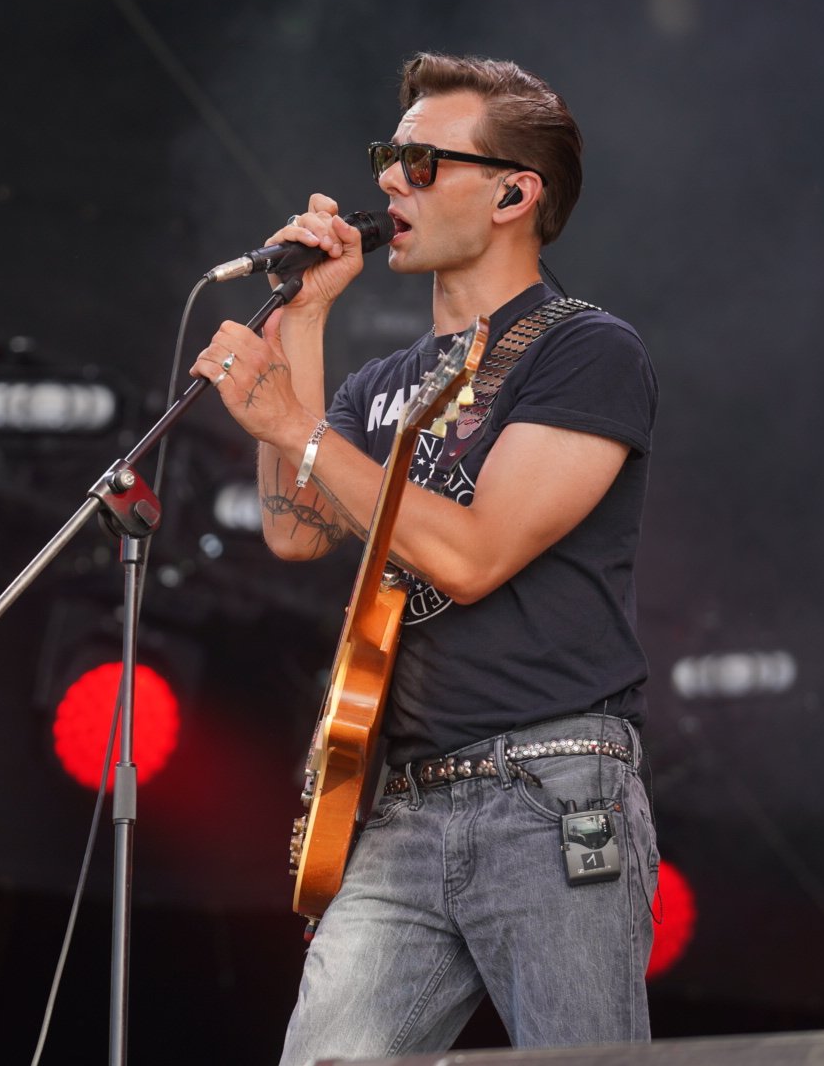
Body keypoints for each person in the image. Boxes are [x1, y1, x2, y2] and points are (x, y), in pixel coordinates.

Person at [189, 52, 660, 1061]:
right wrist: (306, 318)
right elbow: (294, 528)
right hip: (398, 804)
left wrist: (295, 427)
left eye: (420, 162)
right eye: (384, 158)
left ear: (512, 194)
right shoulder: (378, 384)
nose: (387, 182)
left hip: (549, 789)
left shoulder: (583, 350)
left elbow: (474, 555)